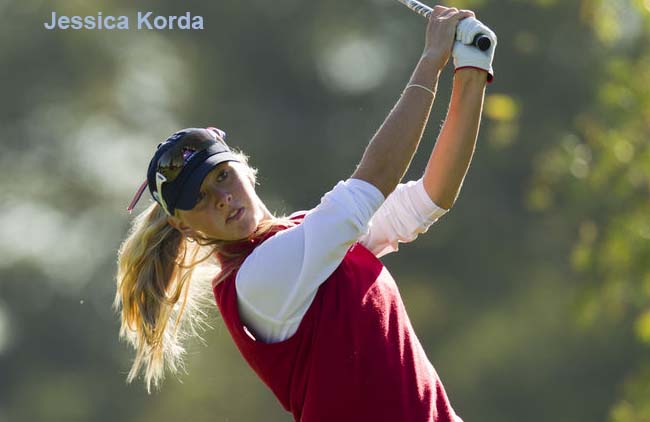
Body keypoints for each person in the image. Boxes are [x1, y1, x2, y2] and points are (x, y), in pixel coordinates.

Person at [115, 5, 497, 422]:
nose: (222, 198)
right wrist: (430, 63)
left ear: (243, 165)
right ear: (182, 225)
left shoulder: (307, 238)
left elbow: (431, 197)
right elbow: (372, 182)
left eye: (222, 176)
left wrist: (472, 70)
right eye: (201, 198)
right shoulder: (256, 279)